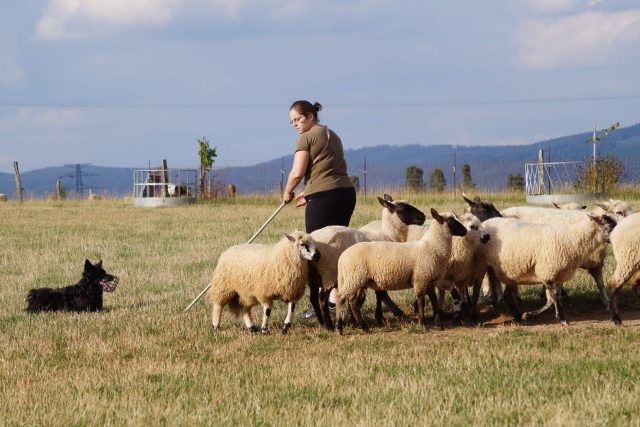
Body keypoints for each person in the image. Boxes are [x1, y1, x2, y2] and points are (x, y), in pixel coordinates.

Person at [283, 100, 356, 320]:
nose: (295, 124)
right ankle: (338, 299)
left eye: (298, 119)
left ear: (311, 116)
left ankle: (318, 304)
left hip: (325, 197)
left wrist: (288, 192)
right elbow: (328, 168)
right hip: (345, 194)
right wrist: (310, 191)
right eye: (292, 121)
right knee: (339, 248)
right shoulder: (332, 134)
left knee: (315, 250)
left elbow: (297, 172)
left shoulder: (306, 137)